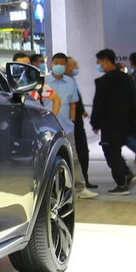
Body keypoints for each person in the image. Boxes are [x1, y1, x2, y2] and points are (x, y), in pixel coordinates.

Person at [45, 52, 97, 199]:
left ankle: (80, 188)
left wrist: (72, 120)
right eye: (56, 63)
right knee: (48, 159)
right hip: (48, 126)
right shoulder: (44, 81)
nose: (59, 66)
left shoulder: (70, 82)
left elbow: (73, 103)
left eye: (62, 64)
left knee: (73, 157)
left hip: (67, 126)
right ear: (51, 64)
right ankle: (50, 191)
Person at [91, 49, 136, 196]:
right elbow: (134, 99)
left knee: (111, 153)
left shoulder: (103, 81)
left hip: (109, 123)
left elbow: (98, 103)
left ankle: (121, 185)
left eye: (99, 62)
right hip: (125, 122)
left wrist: (95, 122)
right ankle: (127, 174)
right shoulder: (127, 78)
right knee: (115, 151)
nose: (99, 65)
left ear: (106, 61)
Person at [65, 56, 96, 189]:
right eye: (74, 65)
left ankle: (84, 179)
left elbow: (76, 101)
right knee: (78, 152)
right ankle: (78, 182)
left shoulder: (72, 81)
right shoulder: (64, 83)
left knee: (82, 151)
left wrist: (82, 110)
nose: (77, 68)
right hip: (70, 122)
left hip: (77, 120)